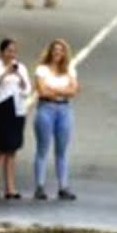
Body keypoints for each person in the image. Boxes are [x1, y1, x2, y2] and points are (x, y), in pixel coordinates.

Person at [0, 38, 31, 199]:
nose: (12, 54)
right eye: (9, 51)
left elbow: (26, 91)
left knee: (12, 150)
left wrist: (19, 76)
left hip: (17, 111)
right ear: (2, 52)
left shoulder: (21, 67)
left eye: (14, 51)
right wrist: (5, 73)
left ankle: (11, 188)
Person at [33, 38, 80, 200]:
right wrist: (62, 90)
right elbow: (42, 91)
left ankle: (63, 186)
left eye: (61, 51)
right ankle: (39, 185)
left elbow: (74, 90)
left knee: (62, 150)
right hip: (46, 108)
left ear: (64, 53)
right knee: (42, 148)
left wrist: (54, 89)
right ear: (50, 52)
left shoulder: (69, 69)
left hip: (64, 109)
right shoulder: (42, 69)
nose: (57, 53)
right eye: (55, 50)